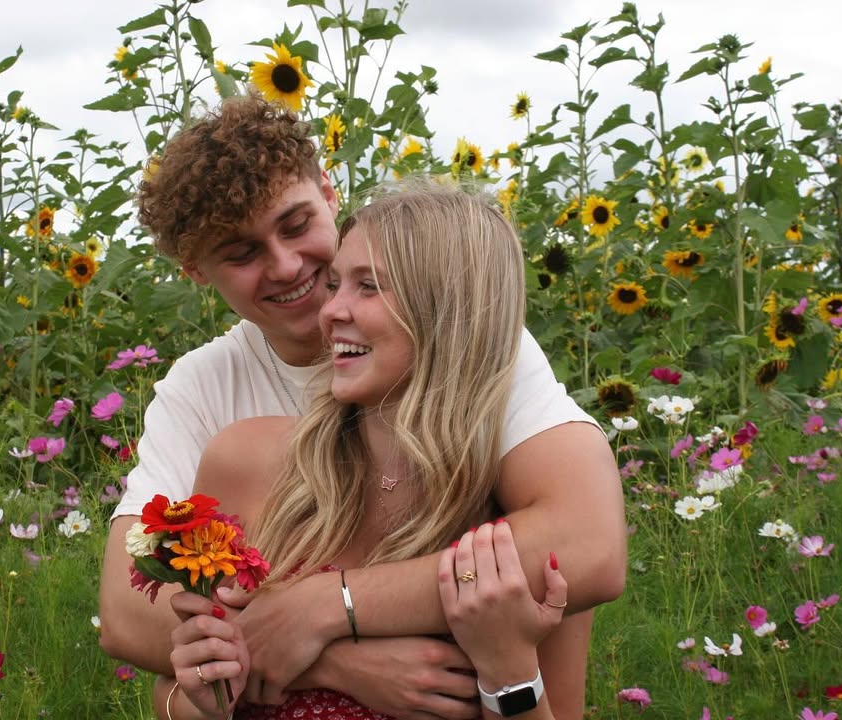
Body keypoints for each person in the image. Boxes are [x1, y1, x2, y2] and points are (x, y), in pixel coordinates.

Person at [97, 93, 625, 718]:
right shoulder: (209, 400)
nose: (287, 267)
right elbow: (131, 616)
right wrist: (331, 662)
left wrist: (330, 606)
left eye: (296, 225)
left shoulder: (482, 351)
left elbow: (585, 547)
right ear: (195, 271)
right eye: (241, 254)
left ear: (329, 193)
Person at [165, 184, 572, 720]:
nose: (330, 310)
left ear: (448, 310)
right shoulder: (245, 462)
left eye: (369, 286)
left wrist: (508, 669)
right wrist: (206, 696)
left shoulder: (516, 525)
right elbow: (178, 695)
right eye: (336, 283)